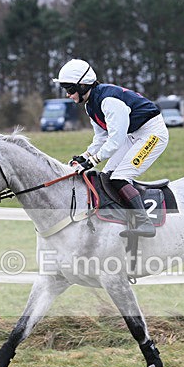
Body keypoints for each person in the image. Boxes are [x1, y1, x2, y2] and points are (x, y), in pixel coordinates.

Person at [52, 59, 169, 238]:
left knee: (121, 177)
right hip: (133, 135)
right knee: (107, 177)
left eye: (69, 89)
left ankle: (145, 223)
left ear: (83, 86)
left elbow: (116, 139)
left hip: (152, 134)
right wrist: (85, 156)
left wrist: (92, 161)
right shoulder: (91, 105)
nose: (68, 94)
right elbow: (101, 137)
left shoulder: (108, 101)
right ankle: (121, 217)